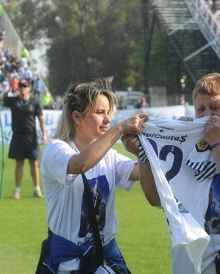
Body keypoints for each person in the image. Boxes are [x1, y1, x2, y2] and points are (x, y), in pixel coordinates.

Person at [128, 72, 220, 273]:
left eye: (215, 107)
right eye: (200, 109)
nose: (206, 115)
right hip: (190, 264)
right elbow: (155, 199)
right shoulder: (183, 149)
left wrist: (217, 143)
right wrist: (144, 155)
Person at [39, 79, 148, 273]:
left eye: (108, 113)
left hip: (105, 254)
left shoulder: (109, 155)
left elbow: (139, 172)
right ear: (77, 117)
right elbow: (81, 163)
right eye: (99, 112)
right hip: (67, 262)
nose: (107, 119)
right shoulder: (55, 150)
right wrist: (120, 128)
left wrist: (142, 152)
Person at [2, 78, 47, 199]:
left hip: (31, 136)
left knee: (34, 163)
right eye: (20, 86)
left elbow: (41, 118)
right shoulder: (13, 101)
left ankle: (36, 189)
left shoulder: (35, 101)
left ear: (29, 88)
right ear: (18, 88)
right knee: (19, 163)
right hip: (18, 136)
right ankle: (17, 190)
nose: (22, 89)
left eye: (25, 86)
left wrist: (44, 134)